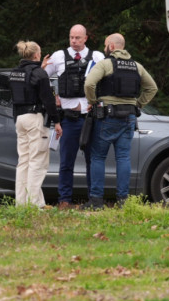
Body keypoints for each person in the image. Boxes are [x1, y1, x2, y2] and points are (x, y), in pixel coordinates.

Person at [83, 33, 158, 209]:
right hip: (129, 117)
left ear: (111, 46)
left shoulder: (105, 64)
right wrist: (138, 104)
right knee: (123, 157)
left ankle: (96, 201)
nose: (104, 48)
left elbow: (89, 84)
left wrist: (93, 101)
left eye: (105, 45)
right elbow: (152, 88)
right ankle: (123, 200)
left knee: (98, 157)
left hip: (107, 117)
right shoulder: (137, 66)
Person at [42, 24, 105, 209]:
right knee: (66, 162)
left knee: (92, 161)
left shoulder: (97, 57)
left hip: (90, 118)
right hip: (69, 119)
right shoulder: (58, 56)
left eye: (78, 38)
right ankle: (65, 200)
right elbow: (41, 77)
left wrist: (99, 100)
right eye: (71, 37)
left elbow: (106, 81)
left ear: (85, 38)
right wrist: (53, 96)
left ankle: (93, 200)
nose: (74, 41)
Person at [10, 40, 61, 207]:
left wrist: (41, 68)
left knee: (23, 162)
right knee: (37, 162)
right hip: (35, 119)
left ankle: (22, 204)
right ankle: (33, 204)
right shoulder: (39, 74)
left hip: (20, 119)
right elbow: (48, 100)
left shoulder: (15, 73)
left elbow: (27, 87)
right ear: (37, 54)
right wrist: (57, 122)